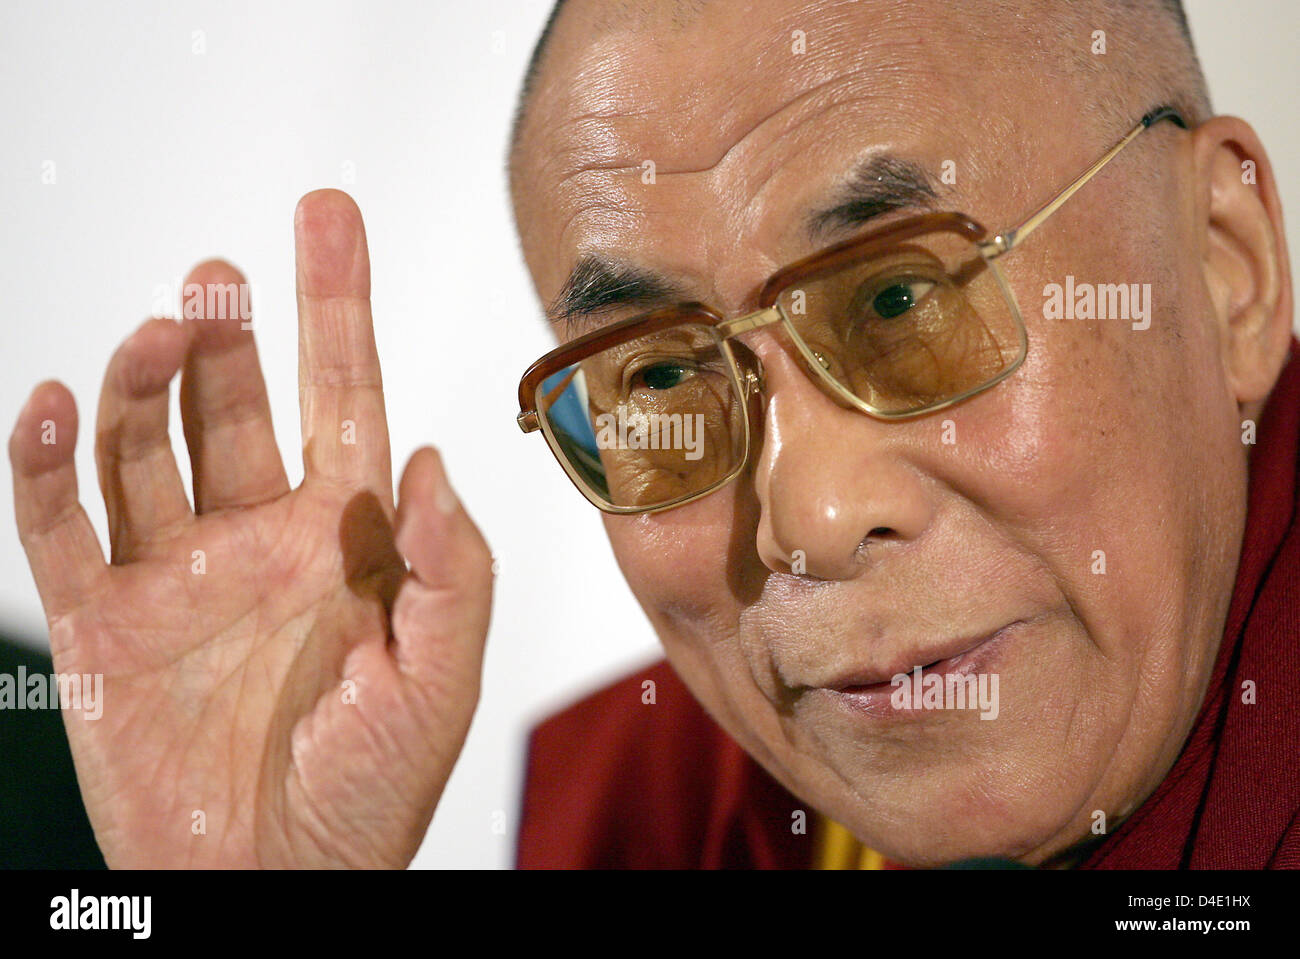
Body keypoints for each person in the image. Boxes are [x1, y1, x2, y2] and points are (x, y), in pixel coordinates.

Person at [8, 0, 1298, 869]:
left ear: (1224, 268)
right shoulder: (639, 817)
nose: (811, 519)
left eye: (901, 297)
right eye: (666, 371)